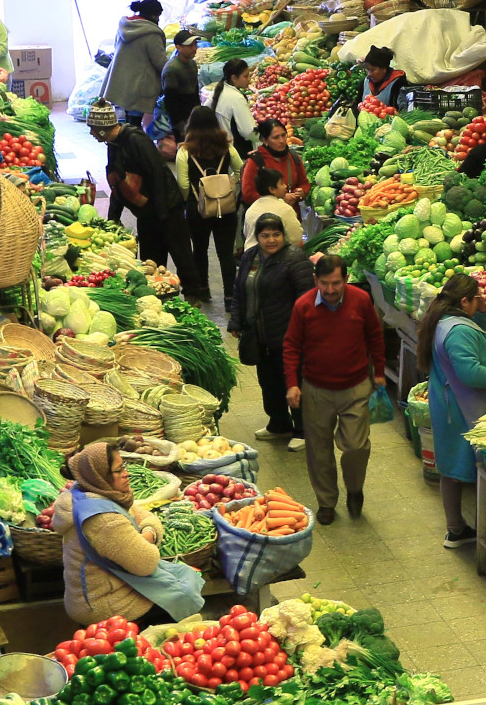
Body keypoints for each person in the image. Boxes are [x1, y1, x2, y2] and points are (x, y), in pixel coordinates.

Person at [53, 442, 206, 627]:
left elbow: (145, 516)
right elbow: (146, 563)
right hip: (104, 603)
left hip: (97, 591)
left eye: (123, 466)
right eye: (119, 470)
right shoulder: (104, 520)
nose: (127, 473)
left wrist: (147, 532)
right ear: (100, 475)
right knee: (183, 595)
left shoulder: (85, 491)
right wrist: (150, 536)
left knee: (182, 578)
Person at [283, 254, 386, 525]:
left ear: (346, 279)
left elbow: (375, 336)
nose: (330, 290)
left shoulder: (361, 301)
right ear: (315, 280)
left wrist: (381, 374)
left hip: (356, 386)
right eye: (324, 283)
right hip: (316, 389)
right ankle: (326, 501)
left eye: (336, 283)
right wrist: (292, 384)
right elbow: (291, 345)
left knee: (355, 446)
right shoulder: (303, 306)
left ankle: (354, 489)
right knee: (319, 450)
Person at [420, 272, 486, 548]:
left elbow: (471, 338)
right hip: (464, 407)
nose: (480, 301)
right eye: (476, 299)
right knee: (482, 467)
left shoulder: (444, 321)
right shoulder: (458, 331)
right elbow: (470, 373)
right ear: (464, 301)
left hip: (449, 402)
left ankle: (456, 529)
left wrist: (481, 310)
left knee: (450, 468)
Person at [88, 103, 199, 297]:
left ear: (103, 130)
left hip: (166, 206)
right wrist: (113, 217)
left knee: (181, 254)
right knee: (150, 261)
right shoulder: (113, 144)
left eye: (94, 129)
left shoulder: (136, 140)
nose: (91, 133)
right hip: (145, 211)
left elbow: (156, 173)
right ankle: (158, 296)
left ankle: (194, 294)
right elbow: (116, 180)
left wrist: (162, 213)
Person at [231, 213, 313, 451]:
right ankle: (279, 423)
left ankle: (303, 430)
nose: (271, 240)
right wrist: (236, 320)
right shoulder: (250, 257)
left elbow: (306, 299)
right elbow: (239, 290)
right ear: (257, 237)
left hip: (288, 336)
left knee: (294, 382)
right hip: (260, 334)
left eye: (276, 234)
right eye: (265, 235)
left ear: (283, 235)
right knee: (269, 382)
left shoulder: (295, 259)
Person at [175, 106, 242, 308]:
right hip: (226, 208)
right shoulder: (227, 148)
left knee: (200, 250)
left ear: (191, 126)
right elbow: (241, 169)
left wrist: (192, 200)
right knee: (225, 253)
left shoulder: (185, 151)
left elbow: (184, 184)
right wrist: (230, 187)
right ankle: (230, 296)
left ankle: (203, 290)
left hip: (197, 209)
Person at [100, 0, 166, 129]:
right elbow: (160, 62)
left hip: (122, 82)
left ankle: (126, 144)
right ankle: (133, 147)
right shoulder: (151, 34)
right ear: (153, 15)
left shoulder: (124, 26)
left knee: (128, 121)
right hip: (139, 86)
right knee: (135, 126)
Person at [241, 117, 310, 206]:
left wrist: (301, 192)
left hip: (292, 216)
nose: (281, 141)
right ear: (265, 140)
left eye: (283, 135)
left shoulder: (293, 157)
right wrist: (280, 199)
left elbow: (304, 183)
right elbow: (248, 195)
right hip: (267, 216)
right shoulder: (255, 161)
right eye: (276, 137)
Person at [241, 164, 305, 249]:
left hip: (251, 257)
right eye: (281, 183)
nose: (285, 186)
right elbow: (295, 238)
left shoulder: (251, 209)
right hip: (277, 258)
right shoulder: (284, 209)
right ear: (272, 189)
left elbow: (247, 233)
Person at [207, 57, 258, 156]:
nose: (249, 79)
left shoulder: (218, 90)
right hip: (236, 152)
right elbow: (248, 131)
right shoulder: (236, 98)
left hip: (220, 147)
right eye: (245, 76)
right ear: (234, 78)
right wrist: (263, 137)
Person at [159, 30, 201, 150]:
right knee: (184, 152)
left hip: (192, 116)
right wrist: (180, 126)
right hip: (181, 119)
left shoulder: (192, 64)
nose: (194, 49)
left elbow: (195, 91)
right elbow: (170, 102)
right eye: (190, 46)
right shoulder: (172, 69)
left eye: (195, 45)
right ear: (179, 47)